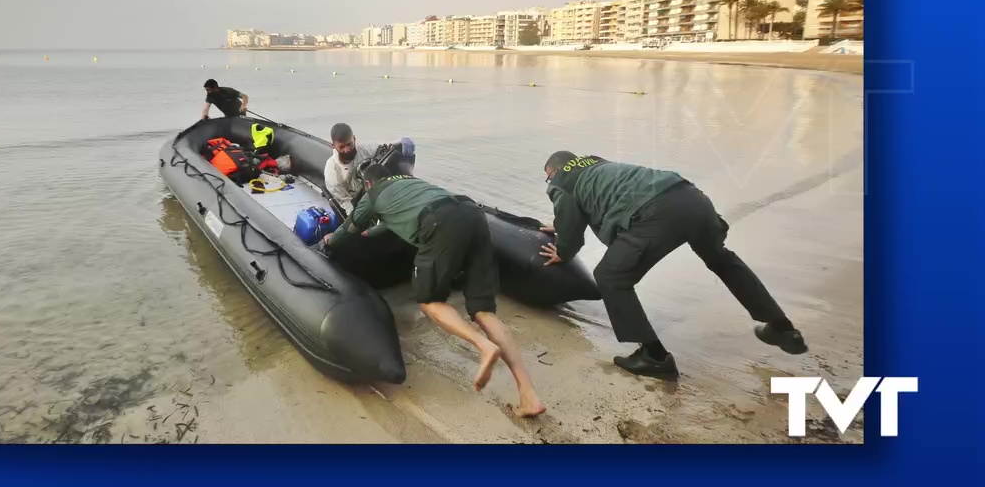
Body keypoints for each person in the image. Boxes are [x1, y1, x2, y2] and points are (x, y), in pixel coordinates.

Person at [537, 150, 807, 380]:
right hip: (691, 197)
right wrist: (561, 224)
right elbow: (588, 204)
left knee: (610, 276)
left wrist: (564, 251)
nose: (549, 181)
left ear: (554, 171)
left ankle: (654, 357)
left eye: (548, 175)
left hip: (657, 213)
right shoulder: (596, 165)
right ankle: (783, 329)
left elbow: (571, 229)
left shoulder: (561, 181)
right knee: (722, 261)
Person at [325, 164, 545, 417]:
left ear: (368, 184)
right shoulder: (412, 183)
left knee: (429, 301)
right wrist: (372, 231)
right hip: (472, 215)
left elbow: (350, 227)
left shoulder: (372, 195)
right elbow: (393, 220)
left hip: (439, 224)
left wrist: (331, 241)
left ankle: (483, 346)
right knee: (484, 311)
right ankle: (528, 394)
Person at [324, 123, 414, 214]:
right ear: (333, 146)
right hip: (356, 201)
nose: (347, 150)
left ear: (354, 139)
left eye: (349, 144)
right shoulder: (332, 171)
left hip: (377, 190)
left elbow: (387, 149)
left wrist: (402, 143)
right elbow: (344, 201)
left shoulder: (365, 148)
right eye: (342, 147)